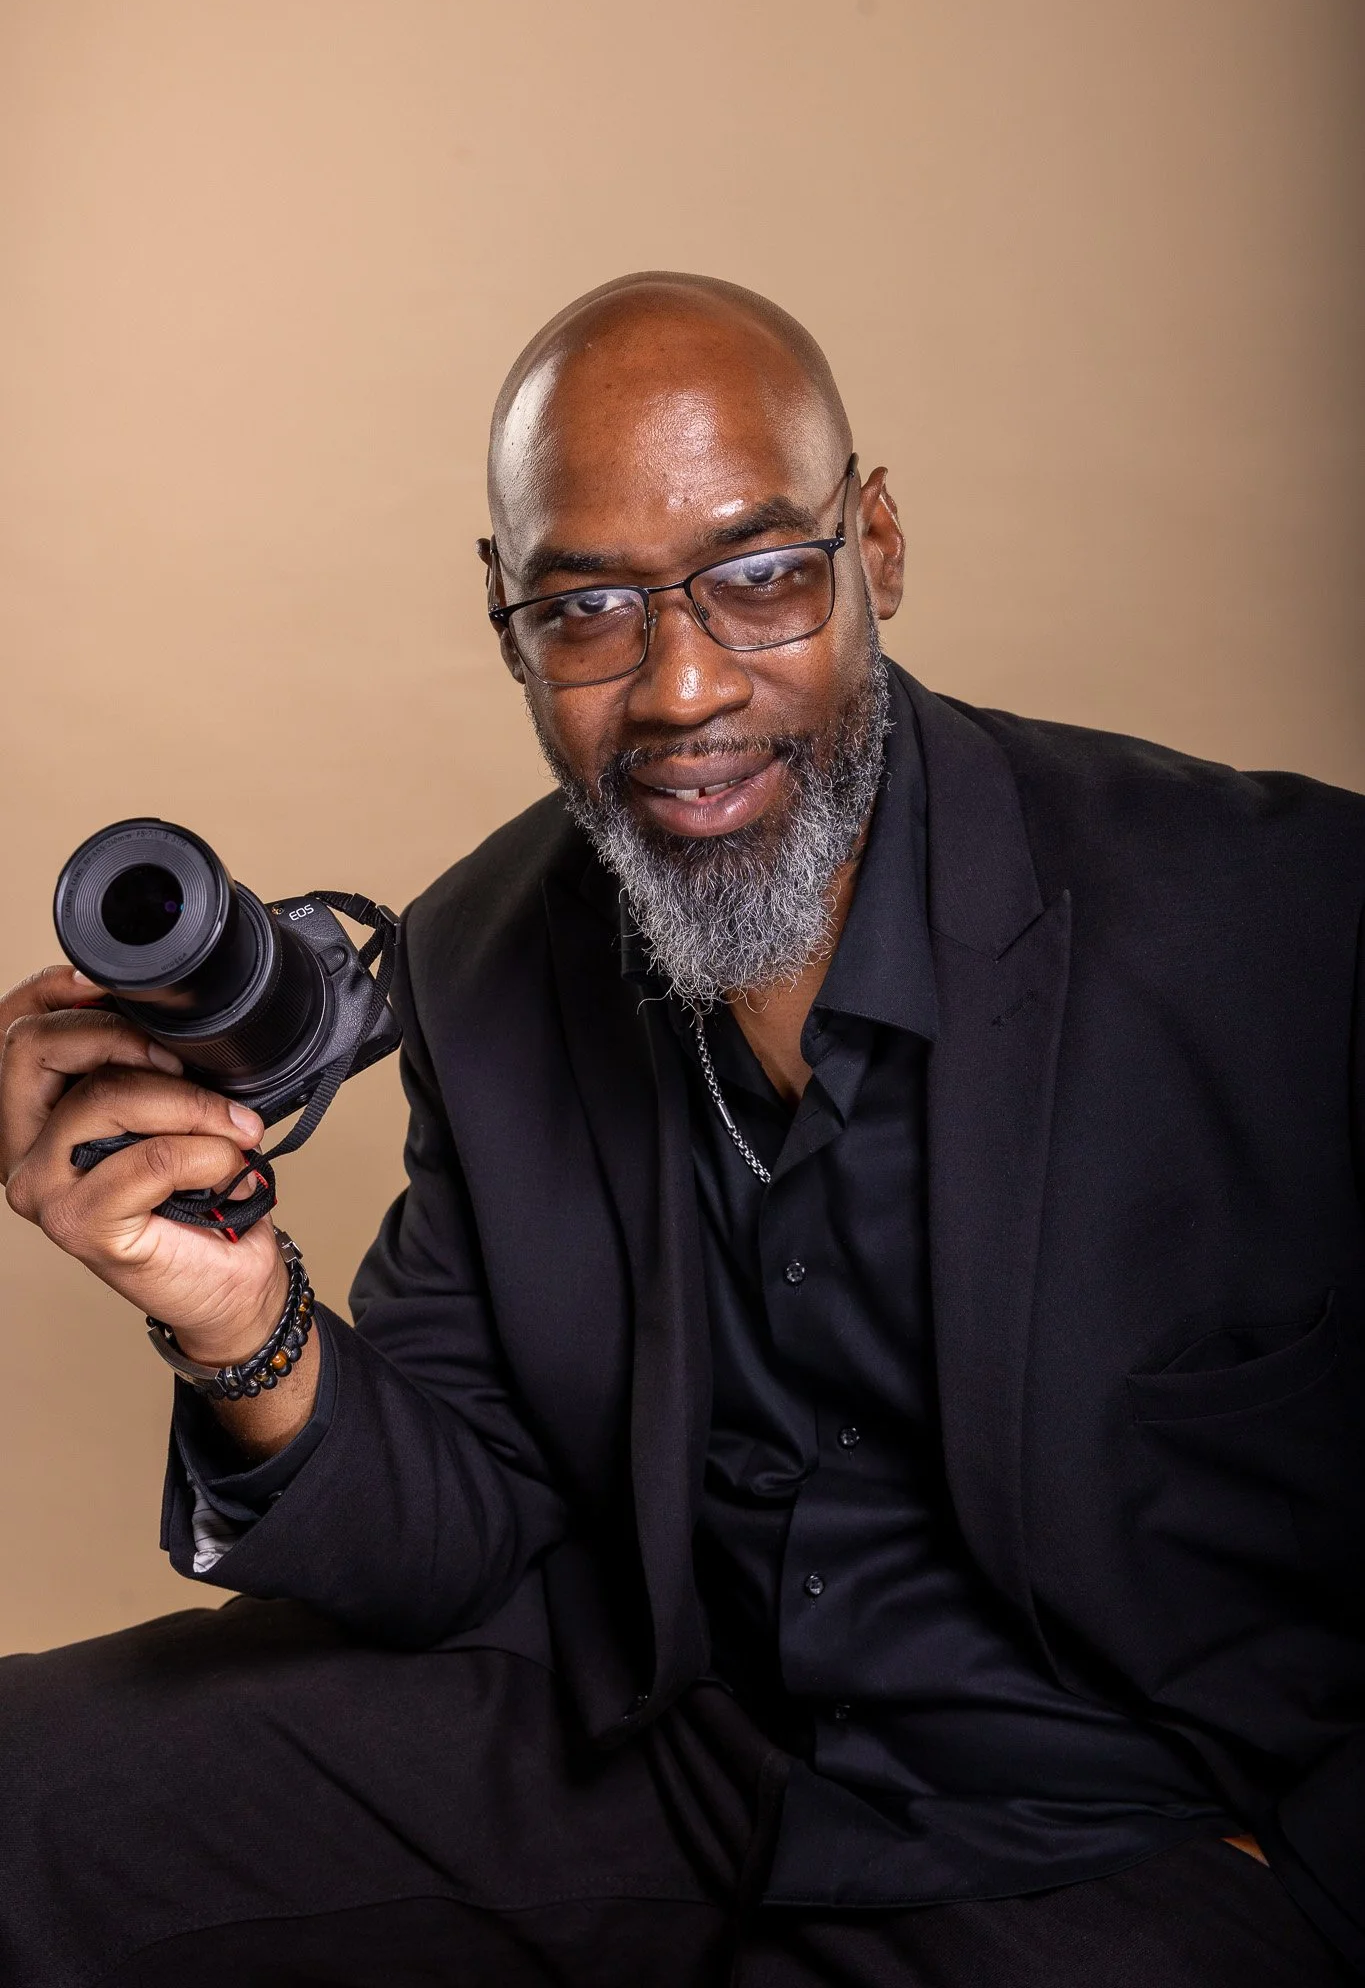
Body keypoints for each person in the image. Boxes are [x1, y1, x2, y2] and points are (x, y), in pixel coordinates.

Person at [0, 272, 1361, 1988]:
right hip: (678, 1746)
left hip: (1130, 1830)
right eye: (588, 611)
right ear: (506, 616)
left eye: (763, 577)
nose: (681, 685)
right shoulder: (482, 958)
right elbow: (464, 1533)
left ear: (874, 541)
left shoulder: (1285, 919)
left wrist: (1321, 1879)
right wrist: (231, 1318)